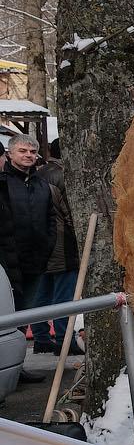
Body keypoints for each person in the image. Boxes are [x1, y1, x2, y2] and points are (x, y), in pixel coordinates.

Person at [2, 134, 77, 355]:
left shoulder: (41, 184)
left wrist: (46, 247)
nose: (28, 156)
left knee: (27, 311)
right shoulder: (3, 184)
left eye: (32, 152)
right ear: (10, 153)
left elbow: (50, 219)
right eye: (22, 151)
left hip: (37, 261)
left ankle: (19, 363)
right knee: (12, 315)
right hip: (9, 263)